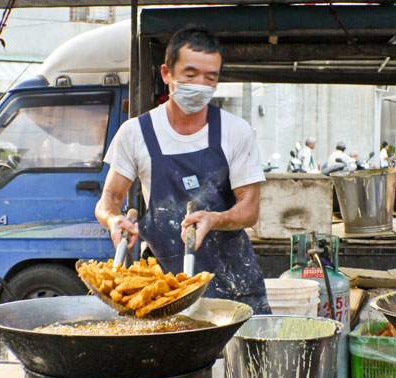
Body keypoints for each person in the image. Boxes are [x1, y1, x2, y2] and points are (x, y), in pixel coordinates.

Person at [95, 27, 271, 314]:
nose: (200, 84)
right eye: (190, 75)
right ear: (167, 73)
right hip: (164, 288)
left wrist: (215, 219)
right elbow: (109, 200)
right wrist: (113, 220)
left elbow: (250, 209)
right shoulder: (135, 133)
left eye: (210, 77)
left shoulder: (236, 131)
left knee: (246, 360)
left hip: (233, 285)